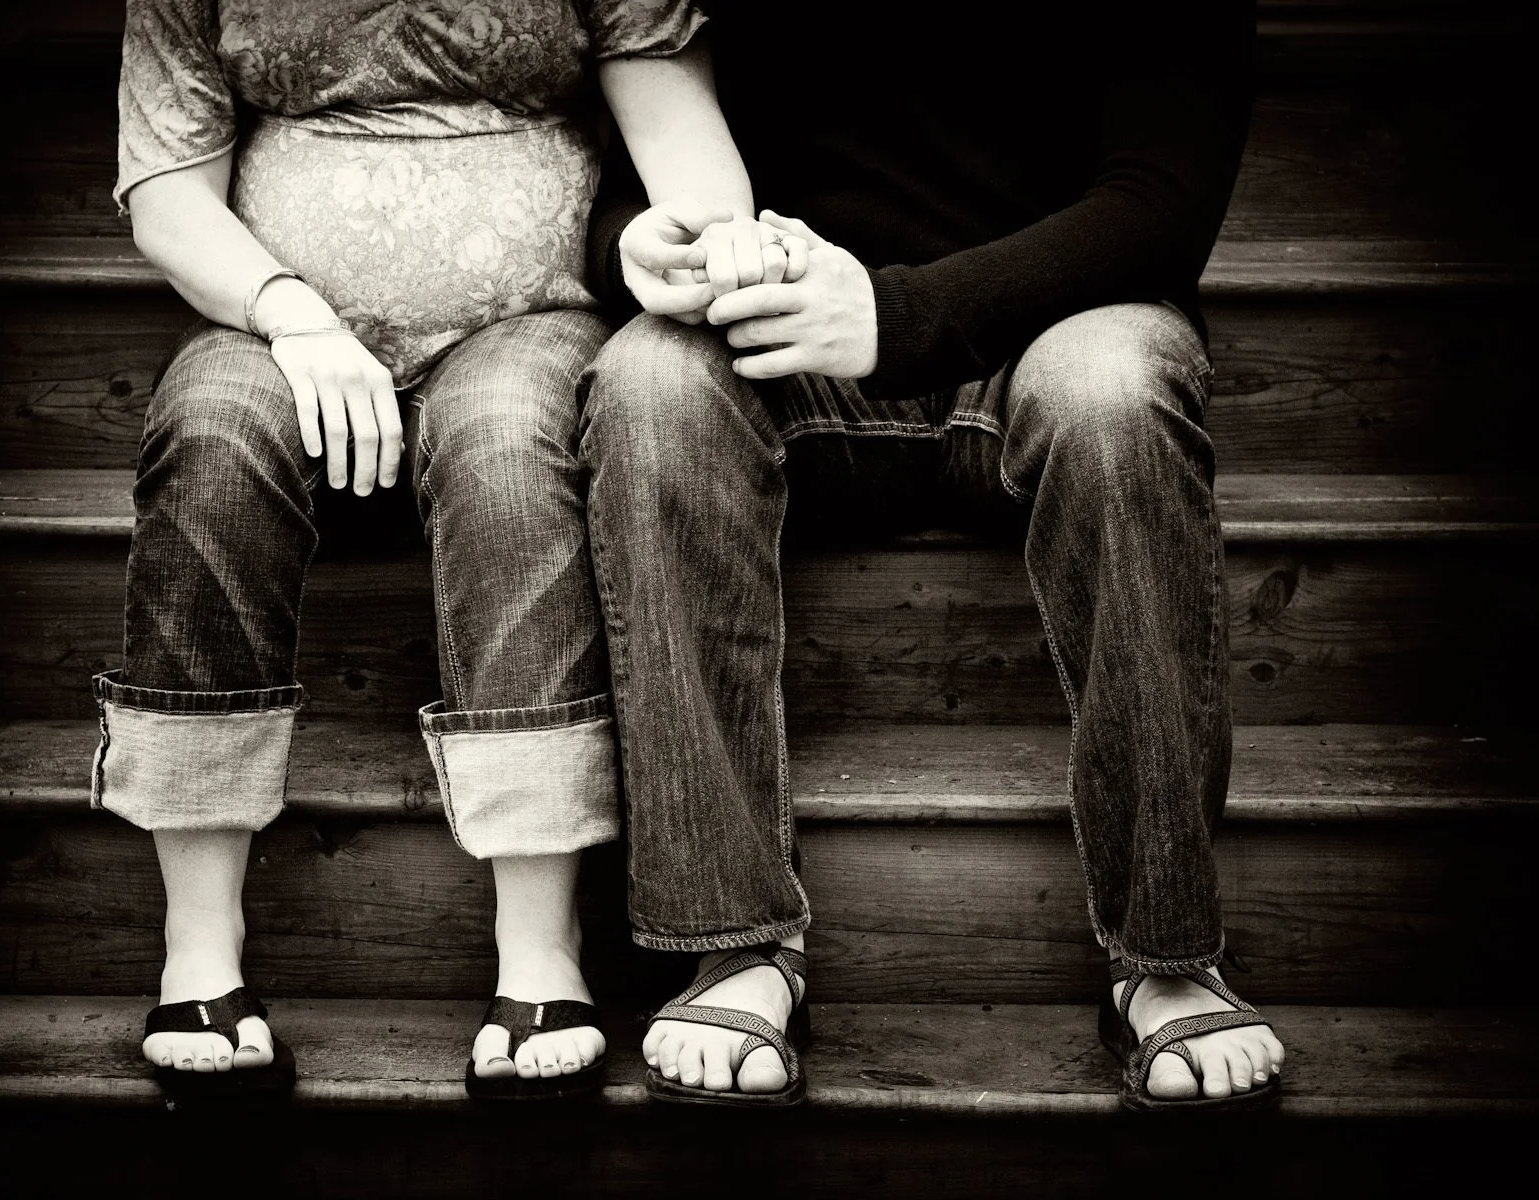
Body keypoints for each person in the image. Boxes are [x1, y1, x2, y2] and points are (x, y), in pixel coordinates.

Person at [581, 0, 1286, 1109]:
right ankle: (735, 942)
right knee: (648, 386)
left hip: (1054, 327)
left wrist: (906, 315)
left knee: (1117, 397)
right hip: (784, 335)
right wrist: (633, 241)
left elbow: (1161, 205)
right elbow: (641, 124)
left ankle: (1167, 957)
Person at [97, 0, 797, 1100]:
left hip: (525, 317)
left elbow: (677, 133)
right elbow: (171, 194)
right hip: (271, 323)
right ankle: (199, 948)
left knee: (511, 451)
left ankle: (540, 950)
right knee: (211, 441)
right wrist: (293, 315)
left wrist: (705, 237)